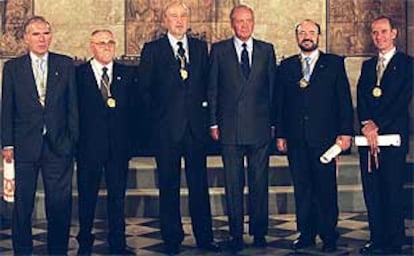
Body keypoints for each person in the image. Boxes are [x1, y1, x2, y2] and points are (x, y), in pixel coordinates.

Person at [138, 1, 219, 255]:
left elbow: (207, 85)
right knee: (169, 185)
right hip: (166, 131)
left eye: (184, 15)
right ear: (165, 21)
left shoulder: (199, 47)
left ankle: (204, 237)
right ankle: (172, 238)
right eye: (174, 16)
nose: (179, 20)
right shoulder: (152, 50)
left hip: (195, 129)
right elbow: (144, 91)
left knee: (199, 186)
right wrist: (158, 122)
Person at [1, 16, 78, 255]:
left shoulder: (65, 64)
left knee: (59, 203)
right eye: (36, 34)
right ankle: (22, 250)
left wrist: (72, 141)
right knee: (22, 205)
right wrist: (7, 143)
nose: (42, 39)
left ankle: (57, 250)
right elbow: (7, 108)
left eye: (46, 33)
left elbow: (72, 106)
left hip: (58, 146)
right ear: (26, 38)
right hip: (24, 146)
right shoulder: (13, 68)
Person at [276, 19, 354, 252]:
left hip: (326, 140)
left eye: (311, 32)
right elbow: (280, 104)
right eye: (302, 32)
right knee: (303, 188)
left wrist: (345, 132)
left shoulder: (333, 64)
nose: (307, 36)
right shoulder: (287, 66)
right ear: (296, 37)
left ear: (319, 37)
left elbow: (344, 101)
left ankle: (329, 235)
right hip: (296, 139)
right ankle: (306, 234)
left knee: (325, 189)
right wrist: (280, 135)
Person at [208, 4, 277, 252]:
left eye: (248, 20)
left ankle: (259, 232)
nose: (244, 25)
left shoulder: (267, 50)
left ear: (254, 22)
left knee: (259, 183)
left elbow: (273, 91)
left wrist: (274, 125)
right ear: (232, 24)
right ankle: (235, 234)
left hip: (259, 129)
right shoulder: (219, 50)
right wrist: (213, 122)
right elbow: (212, 89)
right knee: (233, 184)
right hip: (229, 129)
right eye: (240, 21)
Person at [75, 29, 136, 255]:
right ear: (92, 46)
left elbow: (134, 112)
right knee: (87, 196)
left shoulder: (126, 74)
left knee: (117, 197)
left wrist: (131, 145)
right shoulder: (78, 75)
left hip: (118, 149)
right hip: (88, 148)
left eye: (110, 42)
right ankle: (84, 240)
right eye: (101, 43)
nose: (107, 46)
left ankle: (118, 242)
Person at [356, 16, 413, 255]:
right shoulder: (368, 66)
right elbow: (361, 97)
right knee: (373, 190)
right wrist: (366, 124)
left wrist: (377, 124)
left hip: (392, 137)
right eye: (375, 32)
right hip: (368, 138)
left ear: (394, 33)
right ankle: (376, 238)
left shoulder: (408, 64)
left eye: (383, 31)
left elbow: (402, 100)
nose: (379, 36)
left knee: (392, 188)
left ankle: (395, 239)